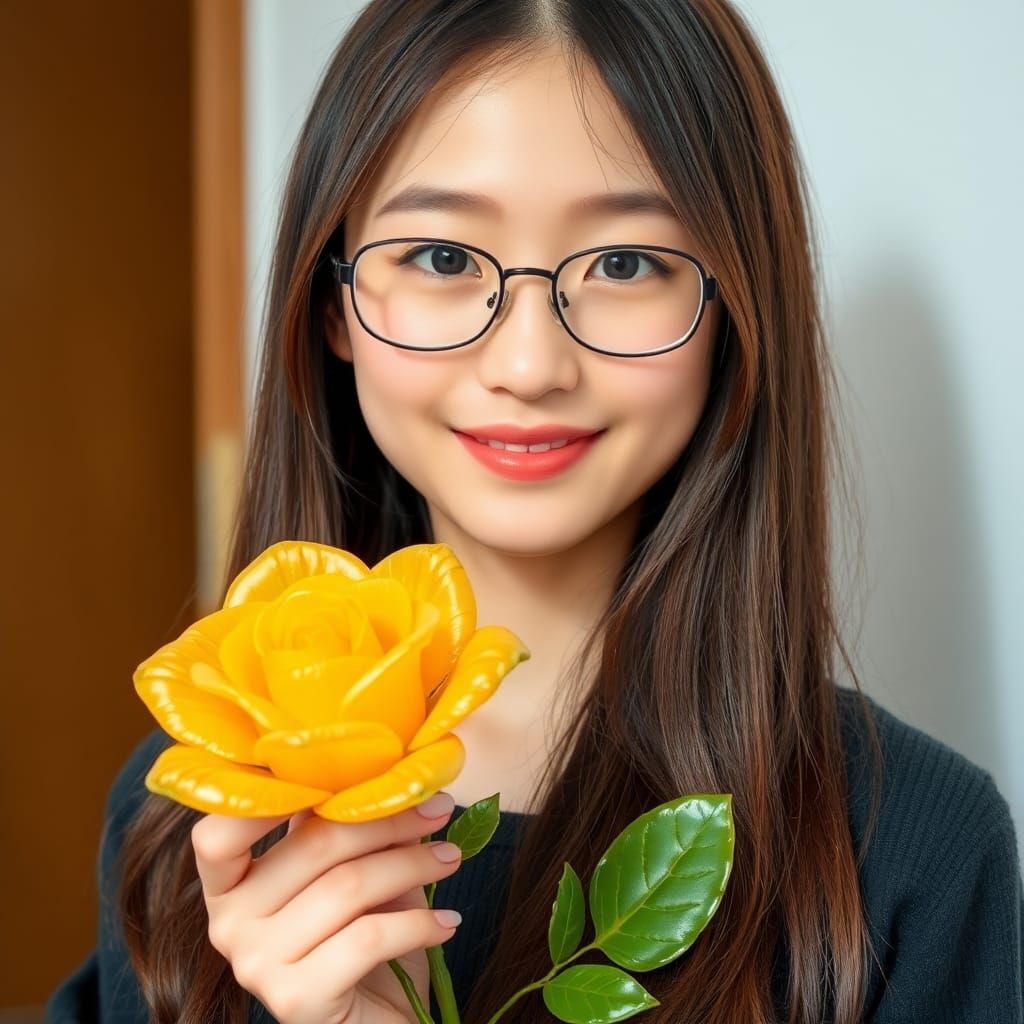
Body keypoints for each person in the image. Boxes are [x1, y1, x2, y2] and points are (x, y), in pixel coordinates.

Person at [47, 1, 1023, 1022]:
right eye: (440, 257)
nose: (527, 365)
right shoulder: (186, 821)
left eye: (624, 264)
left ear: (736, 311)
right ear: (332, 301)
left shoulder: (913, 857)